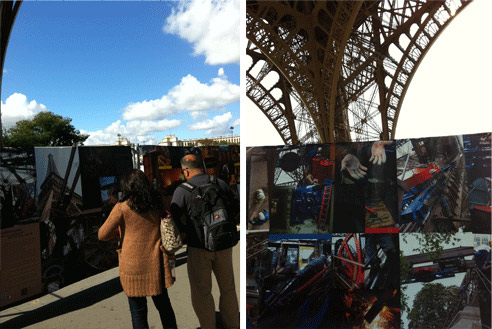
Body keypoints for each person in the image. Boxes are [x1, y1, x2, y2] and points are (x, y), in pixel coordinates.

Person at [98, 169, 178, 329]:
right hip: (156, 264)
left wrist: (120, 234)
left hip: (132, 267)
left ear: (127, 187)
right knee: (164, 308)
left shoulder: (122, 208)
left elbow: (102, 234)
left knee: (138, 313)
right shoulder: (158, 203)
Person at [171, 154, 239, 329]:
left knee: (202, 292)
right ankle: (233, 324)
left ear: (185, 170)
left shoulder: (182, 190)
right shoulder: (219, 183)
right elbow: (234, 208)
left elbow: (174, 220)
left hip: (198, 247)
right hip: (223, 244)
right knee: (228, 289)